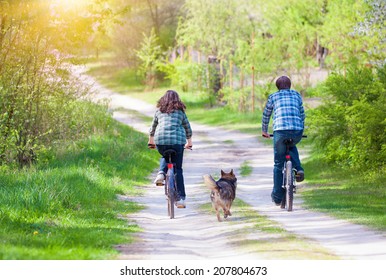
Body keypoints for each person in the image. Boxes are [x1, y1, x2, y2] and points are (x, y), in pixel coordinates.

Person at [261, 76, 305, 205]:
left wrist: (264, 130)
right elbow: (302, 114)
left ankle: (277, 196)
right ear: (290, 85)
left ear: (278, 87)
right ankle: (298, 168)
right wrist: (299, 126)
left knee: (278, 164)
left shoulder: (273, 97)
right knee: (291, 145)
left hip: (280, 131)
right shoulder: (297, 95)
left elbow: (266, 114)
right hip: (297, 131)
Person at [148, 90, 193, 208]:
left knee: (164, 156)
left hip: (161, 141)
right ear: (177, 100)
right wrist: (190, 143)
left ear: (163, 100)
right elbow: (187, 128)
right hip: (177, 142)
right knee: (177, 169)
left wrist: (151, 142)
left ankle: (161, 173)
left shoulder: (159, 111)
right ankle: (181, 199)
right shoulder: (180, 112)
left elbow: (153, 127)